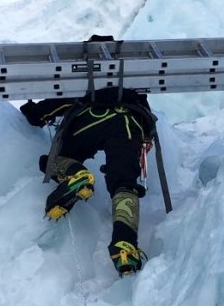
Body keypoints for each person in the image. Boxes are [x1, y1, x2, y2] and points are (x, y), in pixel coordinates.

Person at [21, 87, 155, 276]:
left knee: (51, 162)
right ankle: (126, 247)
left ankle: (76, 174)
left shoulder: (85, 84)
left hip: (90, 117)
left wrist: (34, 112)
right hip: (129, 122)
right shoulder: (135, 93)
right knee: (124, 183)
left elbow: (60, 103)